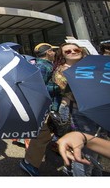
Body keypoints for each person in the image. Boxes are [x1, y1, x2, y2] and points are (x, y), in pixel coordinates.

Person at [53, 42, 102, 176]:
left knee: (96, 146)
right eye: (68, 51)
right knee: (83, 149)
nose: (73, 52)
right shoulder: (62, 71)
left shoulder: (93, 66)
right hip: (77, 112)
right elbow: (73, 94)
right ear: (62, 55)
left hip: (97, 111)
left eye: (76, 49)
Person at [19, 43, 60, 176]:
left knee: (43, 135)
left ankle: (30, 161)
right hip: (40, 105)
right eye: (53, 51)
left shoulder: (42, 64)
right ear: (48, 52)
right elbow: (37, 87)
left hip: (41, 105)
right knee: (42, 135)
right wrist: (58, 87)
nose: (54, 53)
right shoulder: (43, 65)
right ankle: (29, 163)